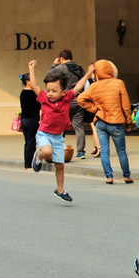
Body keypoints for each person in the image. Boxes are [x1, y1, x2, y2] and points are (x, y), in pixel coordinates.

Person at [28, 59, 91, 202]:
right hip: (44, 134)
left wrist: (88, 73)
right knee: (46, 152)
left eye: (54, 91)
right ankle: (38, 157)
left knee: (60, 166)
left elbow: (79, 86)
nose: (50, 93)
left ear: (63, 92)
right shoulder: (44, 98)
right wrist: (32, 68)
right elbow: (34, 85)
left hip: (58, 137)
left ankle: (60, 190)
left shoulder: (67, 99)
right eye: (48, 90)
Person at [77, 59, 133, 184]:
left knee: (104, 151)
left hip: (100, 121)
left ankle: (109, 176)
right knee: (121, 151)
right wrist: (129, 121)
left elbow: (81, 99)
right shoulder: (118, 83)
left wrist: (95, 109)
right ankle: (126, 176)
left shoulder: (94, 86)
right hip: (116, 122)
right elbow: (126, 105)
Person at [48, 49, 87, 159]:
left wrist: (54, 65)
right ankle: (81, 151)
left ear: (61, 58)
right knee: (78, 126)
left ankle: (59, 149)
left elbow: (48, 77)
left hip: (66, 100)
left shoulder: (61, 68)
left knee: (61, 125)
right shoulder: (79, 68)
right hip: (78, 99)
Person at [19, 72, 41, 169]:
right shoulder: (32, 93)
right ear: (28, 82)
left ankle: (26, 164)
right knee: (32, 142)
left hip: (24, 120)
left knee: (27, 142)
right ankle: (29, 164)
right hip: (32, 119)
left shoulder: (22, 93)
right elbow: (39, 106)